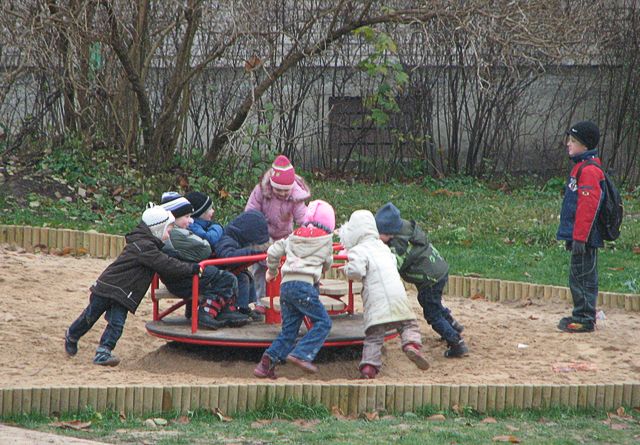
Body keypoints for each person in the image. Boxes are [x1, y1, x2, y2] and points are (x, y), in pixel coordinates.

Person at [64, 206, 201, 366]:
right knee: (90, 316)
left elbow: (167, 260)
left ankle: (103, 352)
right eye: (168, 230)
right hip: (107, 287)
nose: (169, 234)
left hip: (123, 293)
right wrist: (191, 268)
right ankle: (72, 334)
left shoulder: (148, 246)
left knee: (117, 323)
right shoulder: (145, 247)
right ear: (157, 228)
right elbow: (166, 264)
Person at [339, 209, 430, 379]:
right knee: (408, 324)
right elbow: (393, 263)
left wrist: (345, 270)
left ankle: (369, 368)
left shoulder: (358, 250)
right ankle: (411, 345)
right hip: (397, 297)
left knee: (374, 337)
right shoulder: (383, 247)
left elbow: (356, 272)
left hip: (376, 302)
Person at [254, 200, 335, 379]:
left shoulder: (293, 237)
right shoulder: (326, 241)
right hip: (305, 287)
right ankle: (302, 354)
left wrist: (272, 270)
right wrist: (321, 268)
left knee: (289, 332)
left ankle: (266, 362)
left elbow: (274, 250)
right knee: (323, 323)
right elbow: (328, 262)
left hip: (286, 287)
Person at [375, 202, 468, 358]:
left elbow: (392, 266)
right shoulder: (406, 230)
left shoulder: (400, 245)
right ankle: (453, 325)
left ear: (390, 233)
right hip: (438, 270)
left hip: (430, 279)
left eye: (379, 234)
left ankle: (456, 343)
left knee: (432, 313)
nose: (377, 237)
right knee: (435, 304)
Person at [159, 194, 247, 329]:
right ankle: (206, 313)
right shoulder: (177, 234)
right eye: (187, 217)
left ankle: (223, 310)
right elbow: (204, 249)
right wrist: (215, 230)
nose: (191, 221)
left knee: (219, 274)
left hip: (179, 274)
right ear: (173, 218)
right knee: (225, 278)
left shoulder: (175, 230)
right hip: (181, 279)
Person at [245, 155, 311, 313]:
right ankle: (260, 301)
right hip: (262, 235)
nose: (282, 193)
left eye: (286, 190)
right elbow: (250, 214)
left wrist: (307, 232)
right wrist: (260, 236)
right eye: (278, 189)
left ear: (292, 186)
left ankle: (284, 302)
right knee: (259, 269)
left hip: (284, 237)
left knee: (285, 269)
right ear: (271, 185)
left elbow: (303, 219)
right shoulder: (261, 191)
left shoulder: (296, 196)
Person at [556, 120, 605, 333]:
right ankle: (582, 313)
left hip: (584, 236)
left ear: (585, 146)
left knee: (582, 276)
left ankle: (584, 318)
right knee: (579, 274)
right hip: (579, 235)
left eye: (573, 141)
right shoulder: (581, 167)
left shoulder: (589, 170)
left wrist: (580, 238)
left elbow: (588, 207)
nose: (568, 144)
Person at [214, 210, 271, 321]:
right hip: (220, 274)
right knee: (241, 278)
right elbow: (227, 258)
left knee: (247, 277)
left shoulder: (238, 239)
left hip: (232, 271)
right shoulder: (227, 239)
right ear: (247, 234)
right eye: (254, 242)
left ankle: (243, 308)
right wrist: (253, 251)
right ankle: (233, 309)